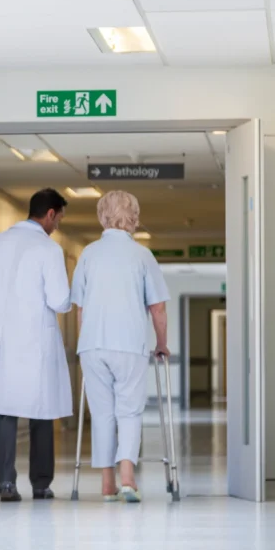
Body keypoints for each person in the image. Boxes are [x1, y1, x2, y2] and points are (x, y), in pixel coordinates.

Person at [70, 190, 170, 503]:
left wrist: (84, 342)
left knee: (102, 413)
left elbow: (81, 309)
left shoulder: (88, 254)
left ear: (102, 217)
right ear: (135, 218)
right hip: (129, 344)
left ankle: (106, 484)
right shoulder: (143, 256)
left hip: (93, 345)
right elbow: (158, 309)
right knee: (129, 411)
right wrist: (162, 344)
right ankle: (128, 478)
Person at [0, 188, 72, 502]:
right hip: (36, 339)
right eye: (58, 219)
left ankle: (6, 483)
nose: (57, 226)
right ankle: (41, 484)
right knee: (41, 412)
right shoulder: (49, 249)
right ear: (50, 214)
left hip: (4, 337)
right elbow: (59, 300)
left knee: (4, 411)